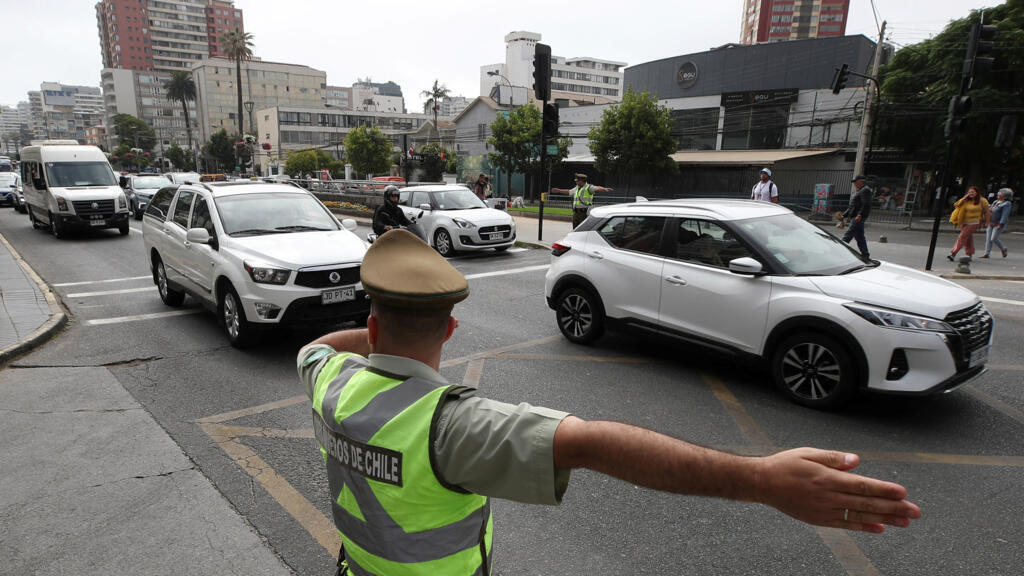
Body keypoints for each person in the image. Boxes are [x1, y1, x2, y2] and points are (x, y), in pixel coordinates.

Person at [297, 229, 921, 575]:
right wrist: (759, 478)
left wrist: (376, 339)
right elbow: (596, 443)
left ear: (372, 330)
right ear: (451, 331)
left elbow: (320, 345)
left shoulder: (330, 381)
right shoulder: (450, 425)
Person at [948, 185, 990, 261]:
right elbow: (956, 205)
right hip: (963, 222)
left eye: (973, 192)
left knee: (962, 237)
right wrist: (964, 198)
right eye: (969, 192)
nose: (971, 193)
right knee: (968, 238)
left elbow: (987, 212)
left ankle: (953, 253)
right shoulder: (966, 200)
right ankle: (969, 253)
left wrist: (987, 222)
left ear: (977, 193)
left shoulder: (982, 201)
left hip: (974, 222)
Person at [841, 174, 874, 259]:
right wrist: (844, 215)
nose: (854, 184)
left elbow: (866, 204)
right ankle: (865, 254)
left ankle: (839, 250)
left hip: (857, 217)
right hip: (856, 216)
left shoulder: (865, 190)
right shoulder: (861, 190)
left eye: (855, 182)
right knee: (859, 236)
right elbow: (853, 206)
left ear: (860, 182)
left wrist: (860, 214)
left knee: (848, 234)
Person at [981, 187, 1012, 258]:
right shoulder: (996, 202)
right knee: (988, 239)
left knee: (994, 238)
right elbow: (991, 209)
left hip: (998, 223)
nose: (998, 194)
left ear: (1005, 195)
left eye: (1000, 193)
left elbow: (1005, 215)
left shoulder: (1007, 204)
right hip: (991, 222)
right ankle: (986, 253)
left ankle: (1003, 248)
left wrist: (1001, 224)